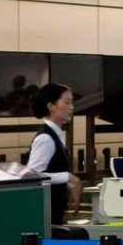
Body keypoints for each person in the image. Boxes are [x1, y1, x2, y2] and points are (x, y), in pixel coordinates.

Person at [26, 83, 81, 226]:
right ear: (51, 106)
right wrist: (68, 177)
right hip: (45, 213)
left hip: (54, 209)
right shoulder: (46, 138)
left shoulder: (57, 135)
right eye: (66, 102)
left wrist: (68, 185)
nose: (71, 107)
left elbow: (53, 170)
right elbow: (33, 175)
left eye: (72, 103)